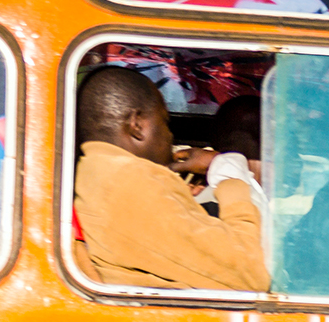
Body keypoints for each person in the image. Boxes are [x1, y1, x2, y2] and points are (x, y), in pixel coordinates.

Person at [73, 66, 269, 292]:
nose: (170, 136)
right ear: (136, 125)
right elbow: (251, 273)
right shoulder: (132, 183)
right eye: (165, 122)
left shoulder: (100, 175)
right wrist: (230, 176)